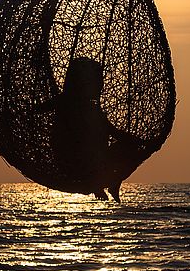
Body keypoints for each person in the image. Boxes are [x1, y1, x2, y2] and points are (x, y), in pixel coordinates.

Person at [52, 57, 139, 203]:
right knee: (121, 145)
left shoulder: (91, 108)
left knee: (128, 146)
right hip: (74, 163)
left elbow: (112, 132)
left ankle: (111, 183)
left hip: (94, 161)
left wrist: (133, 141)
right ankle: (98, 183)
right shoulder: (66, 103)